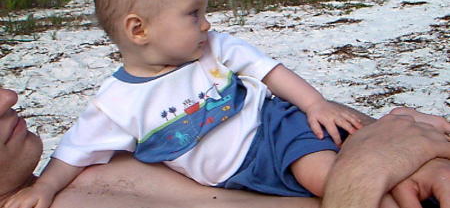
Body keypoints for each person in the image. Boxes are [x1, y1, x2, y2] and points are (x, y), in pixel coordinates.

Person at [5, 0, 450, 208]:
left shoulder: (211, 49)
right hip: (241, 174)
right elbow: (72, 153)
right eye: (193, 13)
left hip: (273, 129)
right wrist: (45, 189)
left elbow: (268, 70)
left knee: (325, 177)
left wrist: (315, 104)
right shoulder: (114, 104)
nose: (207, 23)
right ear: (138, 29)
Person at [1, 88, 449, 208]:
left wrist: (410, 151)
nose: (8, 97)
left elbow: (261, 134)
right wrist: (369, 166)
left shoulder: (92, 165)